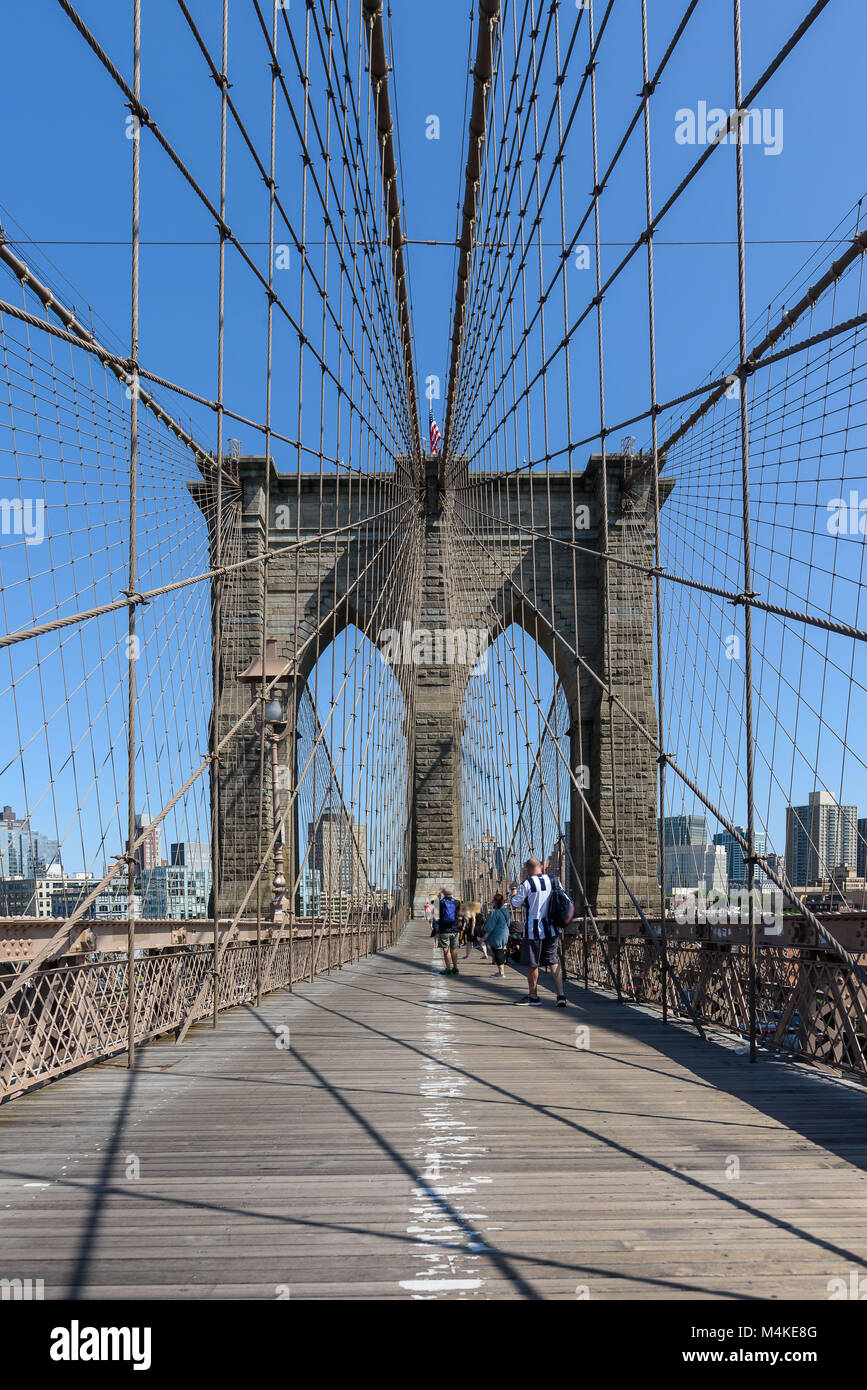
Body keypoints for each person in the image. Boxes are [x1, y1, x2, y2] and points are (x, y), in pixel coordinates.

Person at [509, 857, 566, 1007]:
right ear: (541, 867)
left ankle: (533, 997)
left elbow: (515, 904)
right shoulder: (554, 880)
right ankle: (561, 996)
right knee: (553, 961)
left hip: (533, 931)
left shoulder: (527, 884)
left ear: (527, 869)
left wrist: (513, 891)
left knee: (532, 964)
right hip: (552, 929)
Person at [483, 893, 511, 978]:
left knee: (497, 951)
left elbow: (489, 927)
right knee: (500, 950)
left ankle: (501, 972)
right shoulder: (506, 911)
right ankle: (500, 971)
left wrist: (484, 938)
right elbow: (508, 923)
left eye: (493, 900)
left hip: (497, 935)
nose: (491, 902)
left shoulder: (494, 912)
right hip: (505, 932)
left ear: (495, 902)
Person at [434, 886, 461, 975]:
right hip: (455, 929)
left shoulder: (441, 902)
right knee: (454, 949)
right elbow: (460, 915)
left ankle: (448, 969)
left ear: (444, 894)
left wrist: (439, 892)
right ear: (452, 893)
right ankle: (455, 968)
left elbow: (431, 901)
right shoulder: (457, 902)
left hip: (444, 930)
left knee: (446, 950)